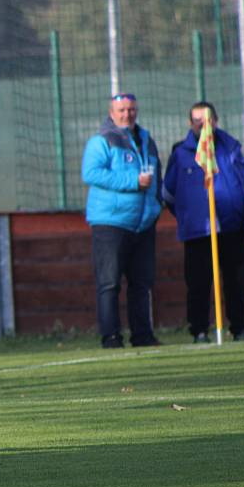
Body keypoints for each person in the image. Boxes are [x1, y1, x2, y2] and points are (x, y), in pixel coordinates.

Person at [163, 102, 244, 344]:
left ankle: (239, 327)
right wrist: (189, 214)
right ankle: (200, 331)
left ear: (215, 120)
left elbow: (243, 185)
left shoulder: (231, 147)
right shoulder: (182, 154)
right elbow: (168, 193)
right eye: (197, 120)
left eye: (207, 120)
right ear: (190, 123)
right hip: (199, 230)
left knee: (237, 281)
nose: (203, 125)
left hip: (232, 227)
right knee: (198, 282)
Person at [81, 93, 162, 349]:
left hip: (144, 223)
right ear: (112, 112)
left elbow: (157, 175)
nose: (127, 114)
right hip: (111, 223)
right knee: (109, 282)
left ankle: (143, 336)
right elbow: (91, 173)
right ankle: (111, 337)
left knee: (142, 283)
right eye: (122, 110)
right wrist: (132, 183)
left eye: (131, 109)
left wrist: (156, 205)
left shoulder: (147, 141)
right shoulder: (102, 141)